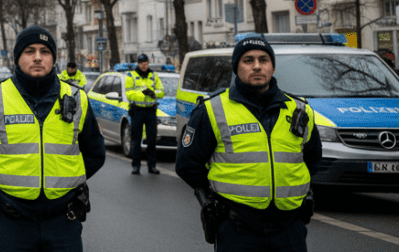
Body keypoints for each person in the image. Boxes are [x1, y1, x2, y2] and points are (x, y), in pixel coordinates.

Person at [0, 25, 106, 252]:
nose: (38, 57)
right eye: (29, 51)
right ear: (18, 58)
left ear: (54, 58)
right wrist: (2, 190)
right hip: (12, 222)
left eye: (45, 51)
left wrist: (65, 181)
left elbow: (95, 154)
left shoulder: (78, 98)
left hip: (63, 221)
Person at [176, 34, 321, 252]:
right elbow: (187, 164)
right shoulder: (212, 110)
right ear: (236, 68)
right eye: (248, 60)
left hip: (289, 226)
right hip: (237, 227)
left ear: (272, 67)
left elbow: (312, 160)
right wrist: (216, 194)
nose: (256, 66)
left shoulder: (299, 109)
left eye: (264, 60)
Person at [125, 53, 164, 174]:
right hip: (137, 111)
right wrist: (143, 93)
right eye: (142, 63)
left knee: (152, 140)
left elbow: (161, 92)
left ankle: (152, 166)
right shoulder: (131, 76)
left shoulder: (153, 75)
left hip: (150, 111)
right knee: (136, 140)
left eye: (146, 63)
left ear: (148, 64)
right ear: (138, 63)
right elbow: (129, 94)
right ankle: (136, 166)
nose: (144, 65)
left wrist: (153, 93)